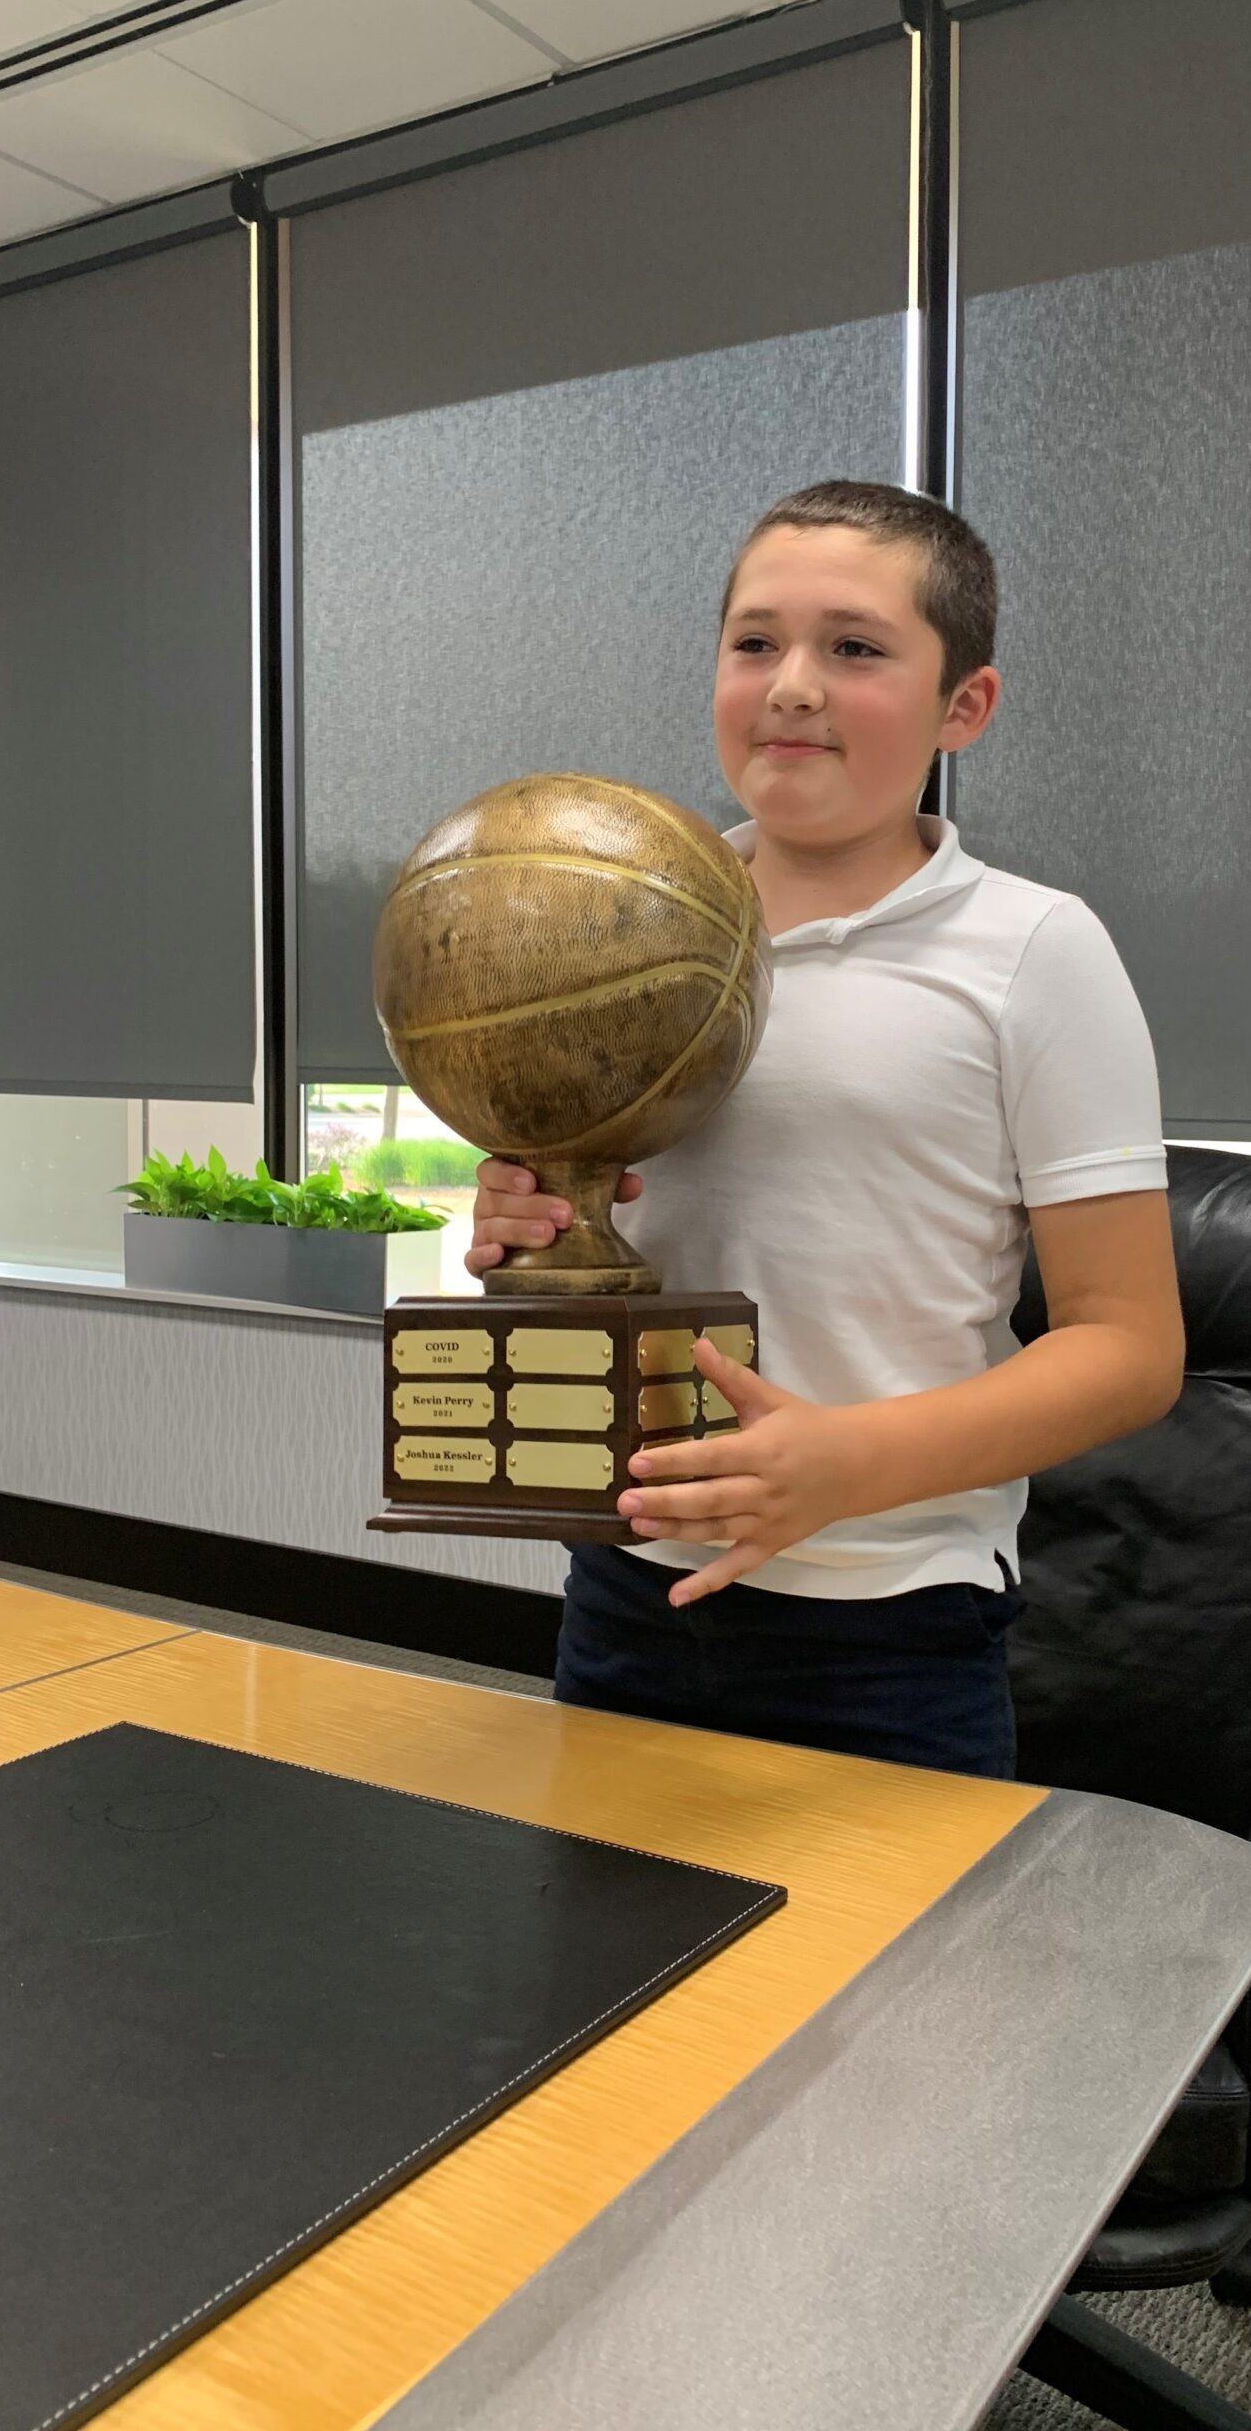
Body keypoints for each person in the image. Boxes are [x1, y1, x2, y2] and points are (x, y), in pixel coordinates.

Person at [468, 481, 1183, 1779]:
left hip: (891, 1621)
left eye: (853, 648)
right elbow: (625, 1252)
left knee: (889, 1987)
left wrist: (842, 1464)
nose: (792, 684)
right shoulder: (618, 932)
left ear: (963, 705)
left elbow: (1131, 1347)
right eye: (756, 643)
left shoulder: (1034, 951)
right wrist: (535, 1231)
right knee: (608, 1961)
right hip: (628, 1584)